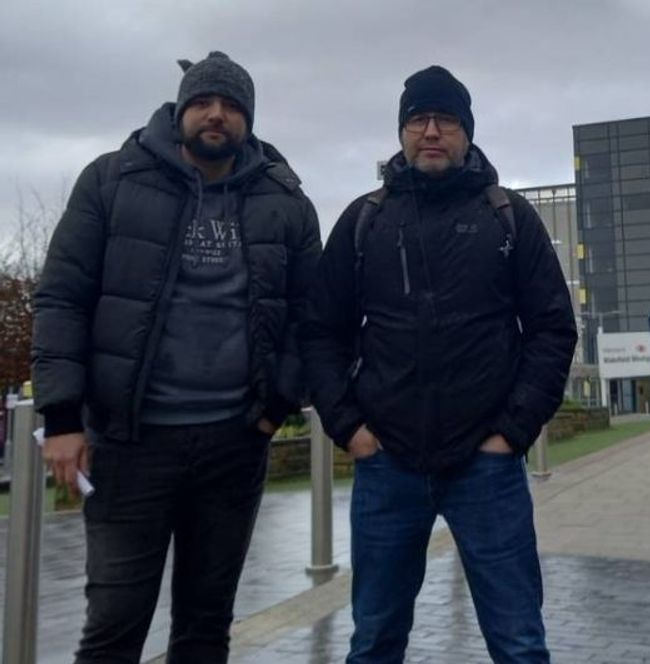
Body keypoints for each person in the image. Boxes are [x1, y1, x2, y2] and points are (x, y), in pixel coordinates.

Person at [33, 51, 321, 663]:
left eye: (232, 106)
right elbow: (62, 299)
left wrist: (277, 406)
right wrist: (60, 417)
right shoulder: (111, 180)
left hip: (234, 443)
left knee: (206, 625)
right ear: (180, 108)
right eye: (204, 102)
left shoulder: (285, 199)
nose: (217, 115)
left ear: (249, 119)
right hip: (129, 443)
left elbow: (311, 316)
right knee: (114, 626)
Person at [301, 65, 576, 663]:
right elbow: (321, 332)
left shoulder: (508, 216)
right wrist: (349, 427)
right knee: (374, 640)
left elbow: (552, 330)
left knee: (519, 642)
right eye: (418, 120)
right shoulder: (365, 220)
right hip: (387, 463)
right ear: (401, 132)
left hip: (487, 465)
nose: (431, 131)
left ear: (466, 132)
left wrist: (512, 432)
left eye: (445, 120)